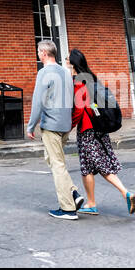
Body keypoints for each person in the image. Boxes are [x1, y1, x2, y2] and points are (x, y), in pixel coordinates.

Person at [68, 49, 135, 216]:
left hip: (87, 129)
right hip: (100, 127)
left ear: (73, 64)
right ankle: (92, 203)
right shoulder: (92, 78)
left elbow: (79, 109)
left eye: (68, 61)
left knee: (92, 166)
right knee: (93, 165)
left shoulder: (79, 82)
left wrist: (69, 126)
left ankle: (124, 193)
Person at [26, 40, 83, 220]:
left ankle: (68, 209)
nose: (38, 54)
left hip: (51, 124)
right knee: (52, 158)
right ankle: (73, 192)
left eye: (38, 51)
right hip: (65, 124)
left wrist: (30, 125)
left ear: (44, 53)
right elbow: (72, 98)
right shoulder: (66, 72)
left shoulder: (44, 73)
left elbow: (38, 101)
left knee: (57, 164)